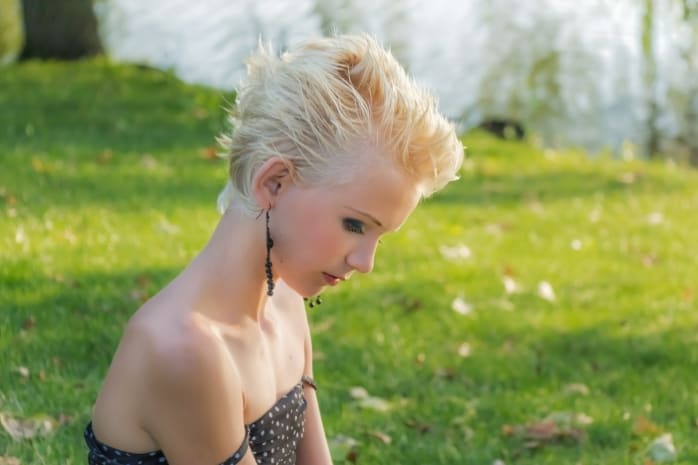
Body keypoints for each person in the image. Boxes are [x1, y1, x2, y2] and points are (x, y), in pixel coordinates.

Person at [84, 33, 463, 465]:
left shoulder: (285, 303)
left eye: (380, 236)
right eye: (355, 225)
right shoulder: (183, 349)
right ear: (274, 184)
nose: (365, 262)